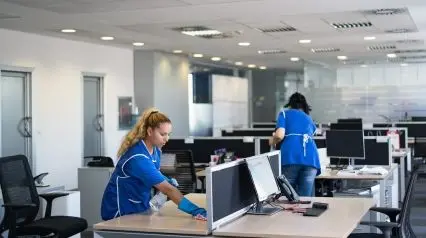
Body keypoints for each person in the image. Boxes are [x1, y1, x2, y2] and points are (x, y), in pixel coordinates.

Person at [101, 107, 207, 221]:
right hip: (120, 211)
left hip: (139, 206)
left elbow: (151, 172)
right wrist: (195, 210)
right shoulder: (138, 158)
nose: (167, 139)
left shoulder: (155, 150)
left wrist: (163, 178)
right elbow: (168, 190)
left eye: (168, 134)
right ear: (150, 131)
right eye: (162, 134)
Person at [269, 92, 320, 197]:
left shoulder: (284, 114)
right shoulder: (308, 118)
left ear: (290, 104)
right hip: (311, 159)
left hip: (291, 157)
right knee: (304, 200)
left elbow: (279, 135)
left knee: (287, 198)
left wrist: (271, 141)